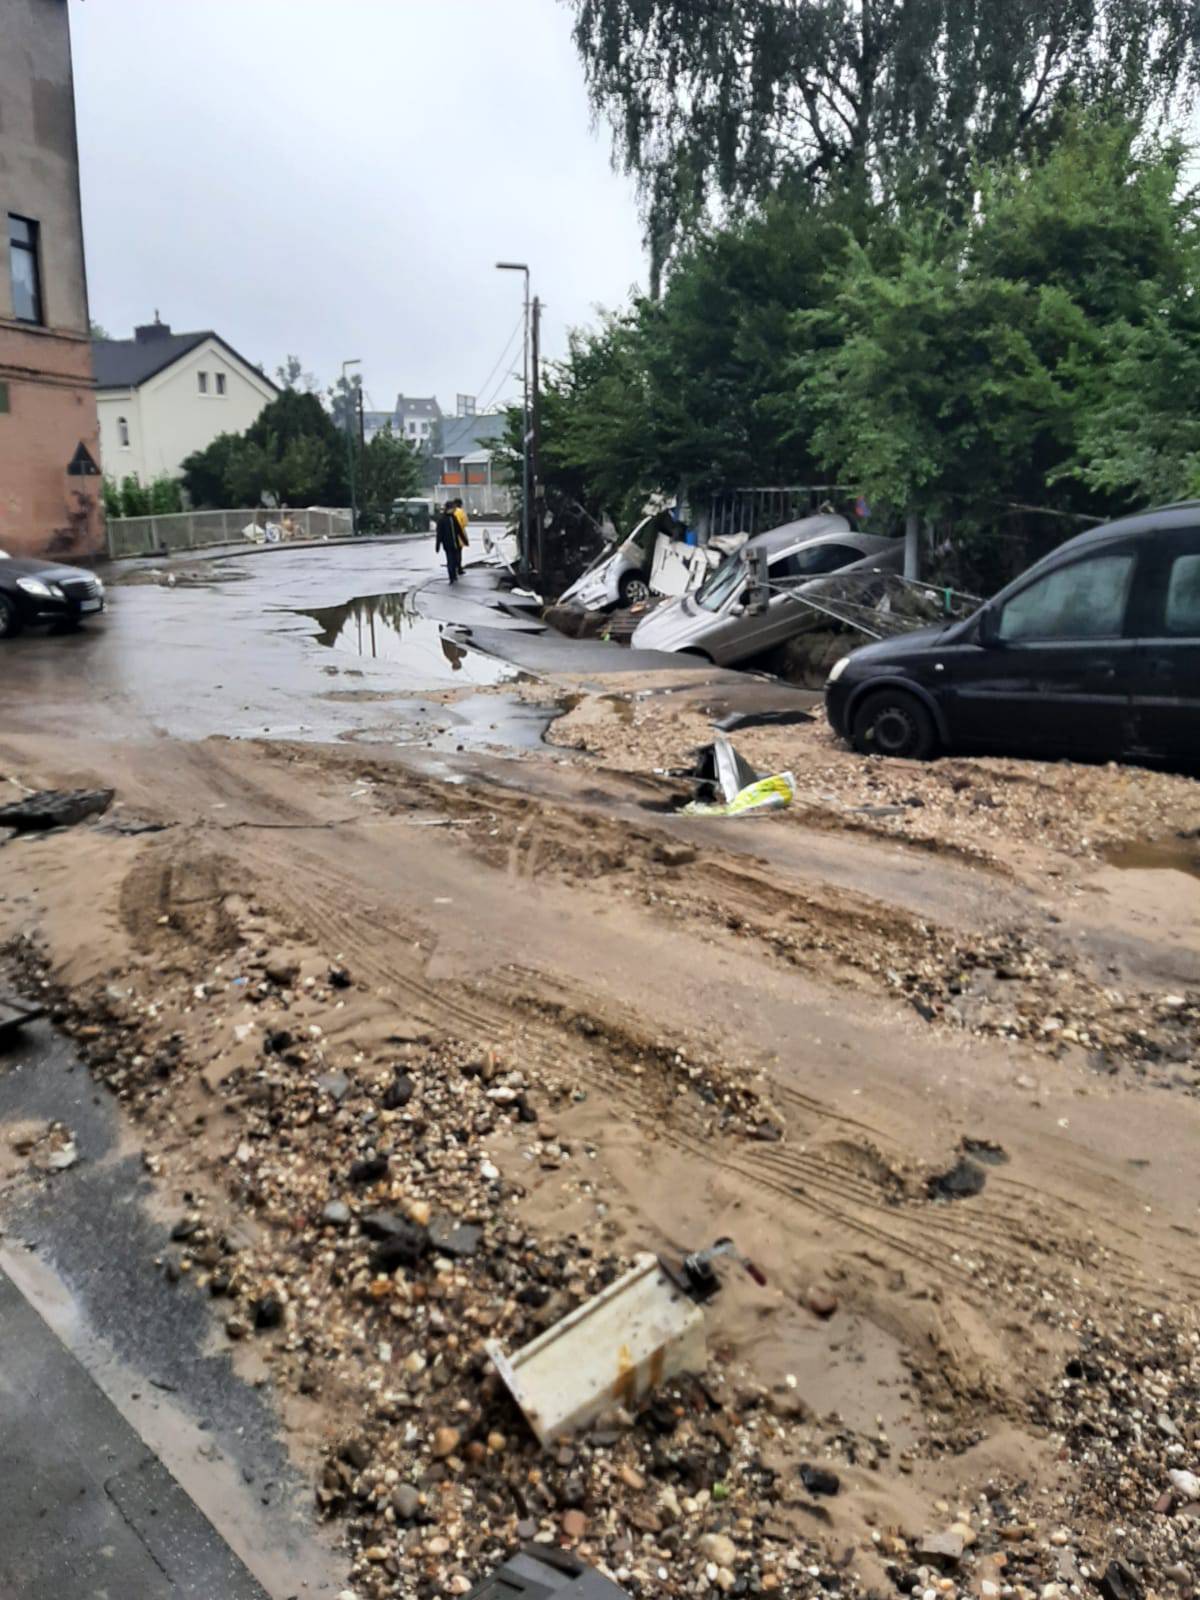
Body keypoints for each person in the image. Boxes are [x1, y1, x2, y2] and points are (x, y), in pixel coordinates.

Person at [435, 503, 461, 584]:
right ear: (448, 509)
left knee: (456, 560)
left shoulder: (453, 518)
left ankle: (454, 575)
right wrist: (438, 545)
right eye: (452, 509)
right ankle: (451, 577)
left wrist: (463, 540)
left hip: (455, 543)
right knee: (450, 560)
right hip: (448, 544)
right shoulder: (442, 519)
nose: (454, 510)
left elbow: (458, 530)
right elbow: (439, 534)